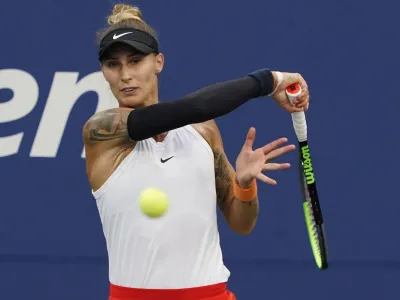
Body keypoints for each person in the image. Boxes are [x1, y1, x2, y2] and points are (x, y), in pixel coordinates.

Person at [83, 4, 310, 300]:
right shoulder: (100, 132)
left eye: (135, 61)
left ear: (158, 62)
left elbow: (241, 224)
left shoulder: (203, 131)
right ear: (104, 71)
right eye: (113, 65)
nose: (125, 74)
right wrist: (269, 81)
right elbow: (197, 106)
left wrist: (243, 184)